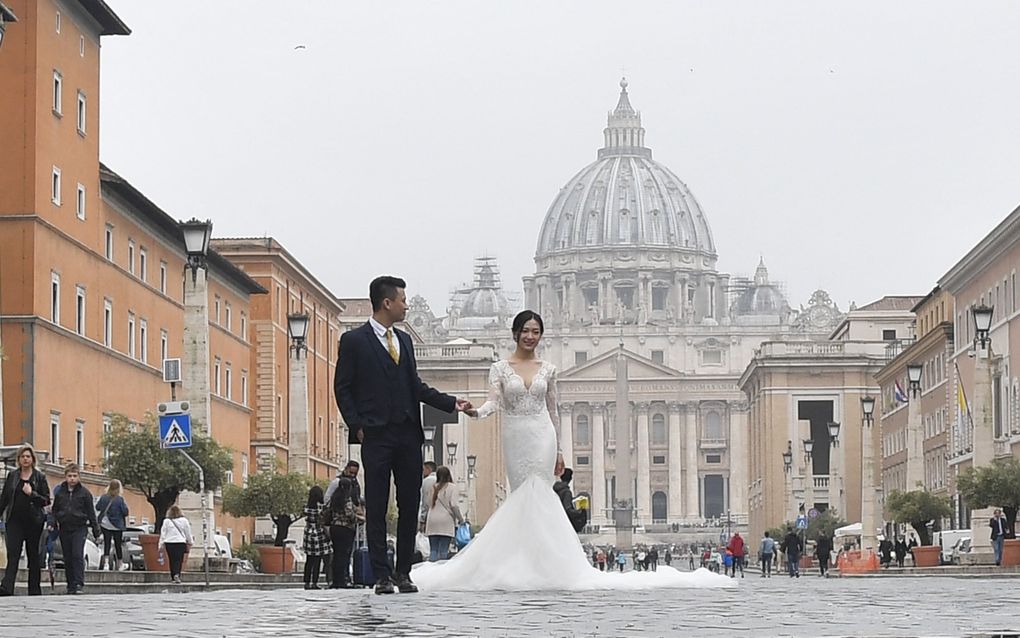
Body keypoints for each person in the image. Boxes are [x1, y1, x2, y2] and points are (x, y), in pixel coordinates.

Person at [410, 310, 731, 591]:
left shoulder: (549, 368)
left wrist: (560, 449)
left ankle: (543, 563)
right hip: (516, 434)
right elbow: (494, 402)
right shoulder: (499, 368)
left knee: (541, 496)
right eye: (526, 331)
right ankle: (523, 561)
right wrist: (475, 412)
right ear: (515, 334)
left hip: (542, 436)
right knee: (522, 497)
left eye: (536, 332)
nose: (531, 337)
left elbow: (553, 411)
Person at [334, 276, 473, 595]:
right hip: (376, 434)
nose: (406, 305)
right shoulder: (354, 341)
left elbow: (416, 387)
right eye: (403, 300)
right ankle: (381, 574)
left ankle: (403, 573)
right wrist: (357, 426)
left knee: (410, 503)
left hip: (409, 434)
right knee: (379, 504)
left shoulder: (405, 342)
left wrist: (452, 403)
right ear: (387, 303)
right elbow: (342, 387)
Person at [0, 444, 51, 596]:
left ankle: (34, 589)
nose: (25, 459)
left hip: (33, 521)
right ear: (19, 459)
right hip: (14, 521)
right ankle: (7, 587)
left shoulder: (39, 477)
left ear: (32, 459)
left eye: (28, 456)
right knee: (13, 554)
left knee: (33, 555)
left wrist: (32, 494)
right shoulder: (13, 476)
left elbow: (46, 500)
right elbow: (4, 498)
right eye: (23, 456)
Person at [52, 463, 100, 594]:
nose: (72, 479)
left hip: (79, 527)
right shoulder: (60, 492)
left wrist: (96, 531)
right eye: (69, 476)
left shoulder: (85, 493)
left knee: (77, 554)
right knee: (67, 556)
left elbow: (91, 512)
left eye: (74, 476)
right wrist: (53, 522)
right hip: (64, 527)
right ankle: (70, 584)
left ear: (79, 476)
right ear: (65, 477)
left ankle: (79, 583)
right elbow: (55, 509)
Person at [327, 477, 361, 588]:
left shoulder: (334, 498)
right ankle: (342, 580)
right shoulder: (347, 499)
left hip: (334, 528)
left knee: (336, 555)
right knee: (344, 555)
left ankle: (335, 580)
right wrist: (359, 519)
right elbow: (349, 514)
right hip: (346, 529)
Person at [424, 466, 463, 561]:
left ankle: (431, 568)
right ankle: (440, 570)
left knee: (433, 549)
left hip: (432, 520)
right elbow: (454, 505)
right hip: (446, 520)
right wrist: (460, 519)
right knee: (443, 549)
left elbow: (427, 504)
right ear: (448, 475)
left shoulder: (432, 487)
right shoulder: (452, 488)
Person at [95, 479, 129, 571]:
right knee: (118, 545)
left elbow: (97, 507)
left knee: (107, 543)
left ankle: (106, 564)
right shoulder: (120, 499)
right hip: (117, 526)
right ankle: (120, 564)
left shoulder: (103, 497)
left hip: (105, 524)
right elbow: (125, 512)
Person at [302, 485, 330, 589]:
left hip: (308, 533)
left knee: (309, 559)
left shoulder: (306, 507)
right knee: (317, 559)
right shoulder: (321, 507)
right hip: (319, 533)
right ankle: (314, 582)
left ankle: (306, 582)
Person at [158, 505, 193, 584]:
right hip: (180, 542)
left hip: (169, 543)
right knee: (179, 560)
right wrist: (190, 542)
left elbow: (163, 533)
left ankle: (173, 576)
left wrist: (160, 544)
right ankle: (177, 574)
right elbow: (188, 532)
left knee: (171, 559)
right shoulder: (184, 521)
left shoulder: (166, 521)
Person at [552, 468, 586, 532]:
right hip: (564, 522)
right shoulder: (566, 492)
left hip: (556, 519)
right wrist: (580, 511)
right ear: (570, 478)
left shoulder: (555, 489)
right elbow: (568, 509)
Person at [419, 461, 437, 531]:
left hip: (429, 516)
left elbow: (425, 501)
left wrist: (422, 518)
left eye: (423, 469)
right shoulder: (440, 480)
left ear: (429, 469)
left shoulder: (427, 481)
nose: (422, 472)